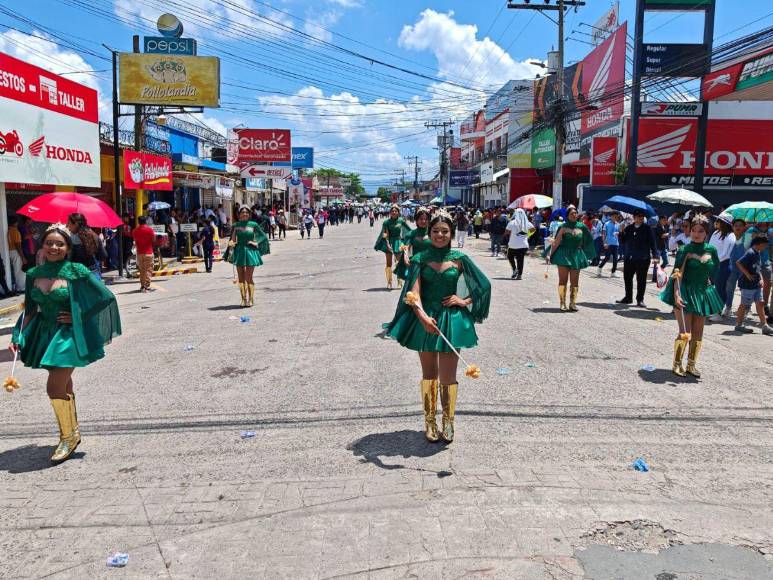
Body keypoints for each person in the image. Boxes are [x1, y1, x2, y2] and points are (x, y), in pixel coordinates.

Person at [9, 223, 121, 463]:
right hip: (44, 334)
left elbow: (105, 298)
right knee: (64, 384)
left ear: (67, 248)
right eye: (49, 242)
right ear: (42, 246)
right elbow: (29, 309)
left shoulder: (76, 270)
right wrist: (17, 334)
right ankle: (73, 430)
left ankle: (67, 437)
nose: (54, 247)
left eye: (59, 243)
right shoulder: (33, 275)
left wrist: (79, 315)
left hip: (67, 335)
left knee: (53, 388)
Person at [384, 213, 491, 443]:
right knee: (429, 374)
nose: (440, 235)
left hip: (451, 321)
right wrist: (422, 317)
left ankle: (448, 422)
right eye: (435, 231)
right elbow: (413, 294)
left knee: (448, 376)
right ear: (429, 233)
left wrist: (463, 301)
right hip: (427, 319)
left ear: (451, 233)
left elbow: (483, 285)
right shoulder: (419, 259)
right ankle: (430, 421)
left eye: (445, 231)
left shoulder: (460, 258)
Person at [660, 215, 724, 378]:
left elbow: (715, 268)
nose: (696, 234)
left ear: (706, 232)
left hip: (702, 293)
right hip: (685, 292)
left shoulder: (711, 250)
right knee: (685, 333)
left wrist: (710, 281)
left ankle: (691, 365)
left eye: (700, 231)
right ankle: (676, 364)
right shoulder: (684, 250)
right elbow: (677, 274)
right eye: (694, 230)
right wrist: (676, 294)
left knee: (698, 332)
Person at [546, 206, 596, 311]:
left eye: (575, 213)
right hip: (563, 254)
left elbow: (588, 240)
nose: (574, 215)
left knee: (575, 281)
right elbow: (557, 242)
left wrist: (586, 254)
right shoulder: (563, 227)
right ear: (567, 216)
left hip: (576, 255)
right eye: (571, 214)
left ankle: (573, 303)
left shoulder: (582, 226)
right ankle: (562, 303)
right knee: (563, 280)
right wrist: (550, 255)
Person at [616, 210, 659, 307]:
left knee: (641, 280)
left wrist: (655, 256)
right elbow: (623, 240)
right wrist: (621, 231)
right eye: (638, 216)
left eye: (642, 216)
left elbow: (653, 243)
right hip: (629, 257)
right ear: (634, 217)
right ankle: (628, 297)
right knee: (627, 278)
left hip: (643, 258)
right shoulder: (629, 228)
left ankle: (640, 299)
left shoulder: (647, 229)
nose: (640, 218)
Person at [229, 206, 269, 307]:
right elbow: (233, 239)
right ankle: (243, 300)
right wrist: (231, 243)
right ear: (239, 214)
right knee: (241, 278)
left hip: (251, 252)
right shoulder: (236, 225)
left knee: (248, 277)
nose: (244, 214)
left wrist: (256, 242)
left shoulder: (253, 224)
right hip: (239, 252)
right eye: (242, 212)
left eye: (246, 212)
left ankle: (251, 299)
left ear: (249, 214)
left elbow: (263, 236)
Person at [733, 236, 773, 335]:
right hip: (747, 284)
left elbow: (757, 267)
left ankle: (765, 326)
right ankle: (738, 325)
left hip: (756, 283)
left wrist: (761, 279)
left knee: (760, 303)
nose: (765, 247)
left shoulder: (758, 253)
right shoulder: (750, 252)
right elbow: (738, 263)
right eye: (764, 245)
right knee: (744, 304)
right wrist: (747, 274)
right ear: (759, 244)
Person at [374, 204, 410, 290]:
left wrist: (411, 239)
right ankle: (389, 282)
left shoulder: (401, 221)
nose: (394, 212)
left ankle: (399, 282)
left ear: (398, 212)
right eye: (392, 211)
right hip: (389, 243)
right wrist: (387, 244)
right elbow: (385, 234)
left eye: (396, 211)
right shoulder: (386, 222)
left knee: (399, 262)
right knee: (389, 263)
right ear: (390, 213)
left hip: (398, 242)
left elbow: (408, 230)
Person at [707, 214, 736, 321]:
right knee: (713, 289)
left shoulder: (731, 236)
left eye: (718, 221)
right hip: (712, 264)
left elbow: (726, 254)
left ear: (724, 223)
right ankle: (712, 310)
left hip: (723, 265)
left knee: (720, 289)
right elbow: (710, 247)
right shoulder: (715, 233)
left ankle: (718, 313)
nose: (716, 222)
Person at [395, 207, 431, 283]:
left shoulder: (433, 233)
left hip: (431, 264)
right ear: (417, 220)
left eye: (426, 219)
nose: (423, 221)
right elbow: (406, 247)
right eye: (421, 219)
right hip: (417, 264)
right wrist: (405, 257)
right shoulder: (411, 234)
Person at [722, 219, 748, 318]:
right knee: (729, 288)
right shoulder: (728, 238)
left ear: (744, 227)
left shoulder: (748, 237)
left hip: (744, 268)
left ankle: (745, 309)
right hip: (731, 266)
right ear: (732, 227)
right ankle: (728, 307)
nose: (738, 227)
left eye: (740, 225)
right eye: (736, 225)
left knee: (744, 289)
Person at [505, 208, 534, 280]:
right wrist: (528, 235)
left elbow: (506, 232)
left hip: (513, 244)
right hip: (524, 245)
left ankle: (515, 269)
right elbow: (533, 229)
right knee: (520, 259)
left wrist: (512, 233)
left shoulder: (512, 222)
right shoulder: (527, 223)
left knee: (509, 256)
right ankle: (519, 275)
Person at [132, 216, 156, 293]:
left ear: (138, 222)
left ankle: (142, 285)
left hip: (139, 253)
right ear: (146, 221)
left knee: (142, 270)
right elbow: (154, 240)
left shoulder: (135, 231)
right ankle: (146, 286)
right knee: (148, 270)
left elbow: (135, 241)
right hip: (148, 252)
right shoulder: (150, 230)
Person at [597, 211, 620, 277]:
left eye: (617, 216)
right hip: (608, 243)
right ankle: (599, 268)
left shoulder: (618, 224)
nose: (616, 217)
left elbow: (619, 233)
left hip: (616, 243)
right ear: (611, 216)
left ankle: (613, 272)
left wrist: (618, 233)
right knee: (607, 257)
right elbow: (603, 234)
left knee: (615, 259)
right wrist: (604, 243)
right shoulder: (606, 224)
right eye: (614, 216)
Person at [7, 216, 27, 292]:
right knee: (19, 270)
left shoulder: (8, 230)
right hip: (15, 251)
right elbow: (18, 245)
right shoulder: (15, 231)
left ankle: (16, 286)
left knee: (13, 270)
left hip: (9, 251)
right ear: (15, 223)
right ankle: (21, 288)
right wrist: (23, 257)